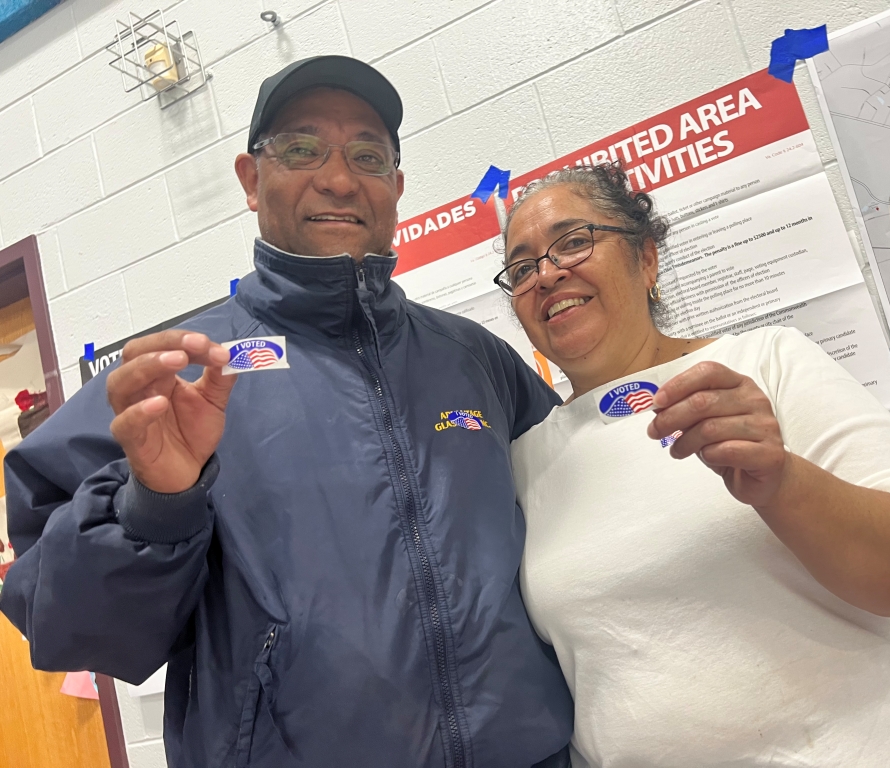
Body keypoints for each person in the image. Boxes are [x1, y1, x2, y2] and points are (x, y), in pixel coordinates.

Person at [0, 56, 572, 767]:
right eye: (302, 149)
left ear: (396, 188)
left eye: (368, 156)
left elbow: (581, 531)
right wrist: (155, 504)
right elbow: (70, 625)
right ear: (250, 179)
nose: (339, 179)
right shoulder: (177, 379)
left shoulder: (475, 358)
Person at [497, 163, 890, 767]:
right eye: (522, 268)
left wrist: (784, 482)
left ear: (646, 258)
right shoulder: (524, 462)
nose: (548, 273)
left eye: (575, 241)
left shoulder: (766, 361)